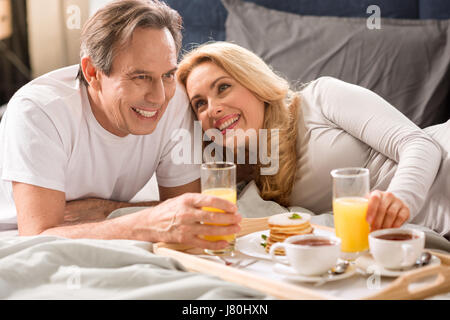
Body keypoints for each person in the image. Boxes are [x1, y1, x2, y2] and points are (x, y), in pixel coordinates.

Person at [0, 0, 241, 250]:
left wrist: (111, 210)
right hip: (13, 236)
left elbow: (185, 212)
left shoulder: (175, 99)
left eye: (168, 74)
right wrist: (143, 221)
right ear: (92, 72)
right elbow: (37, 237)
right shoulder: (39, 112)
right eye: (140, 77)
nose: (159, 97)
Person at [177, 41, 450, 240]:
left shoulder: (319, 98)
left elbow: (418, 143)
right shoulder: (245, 177)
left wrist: (400, 199)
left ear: (253, 83)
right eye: (199, 103)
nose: (212, 109)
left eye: (223, 87)